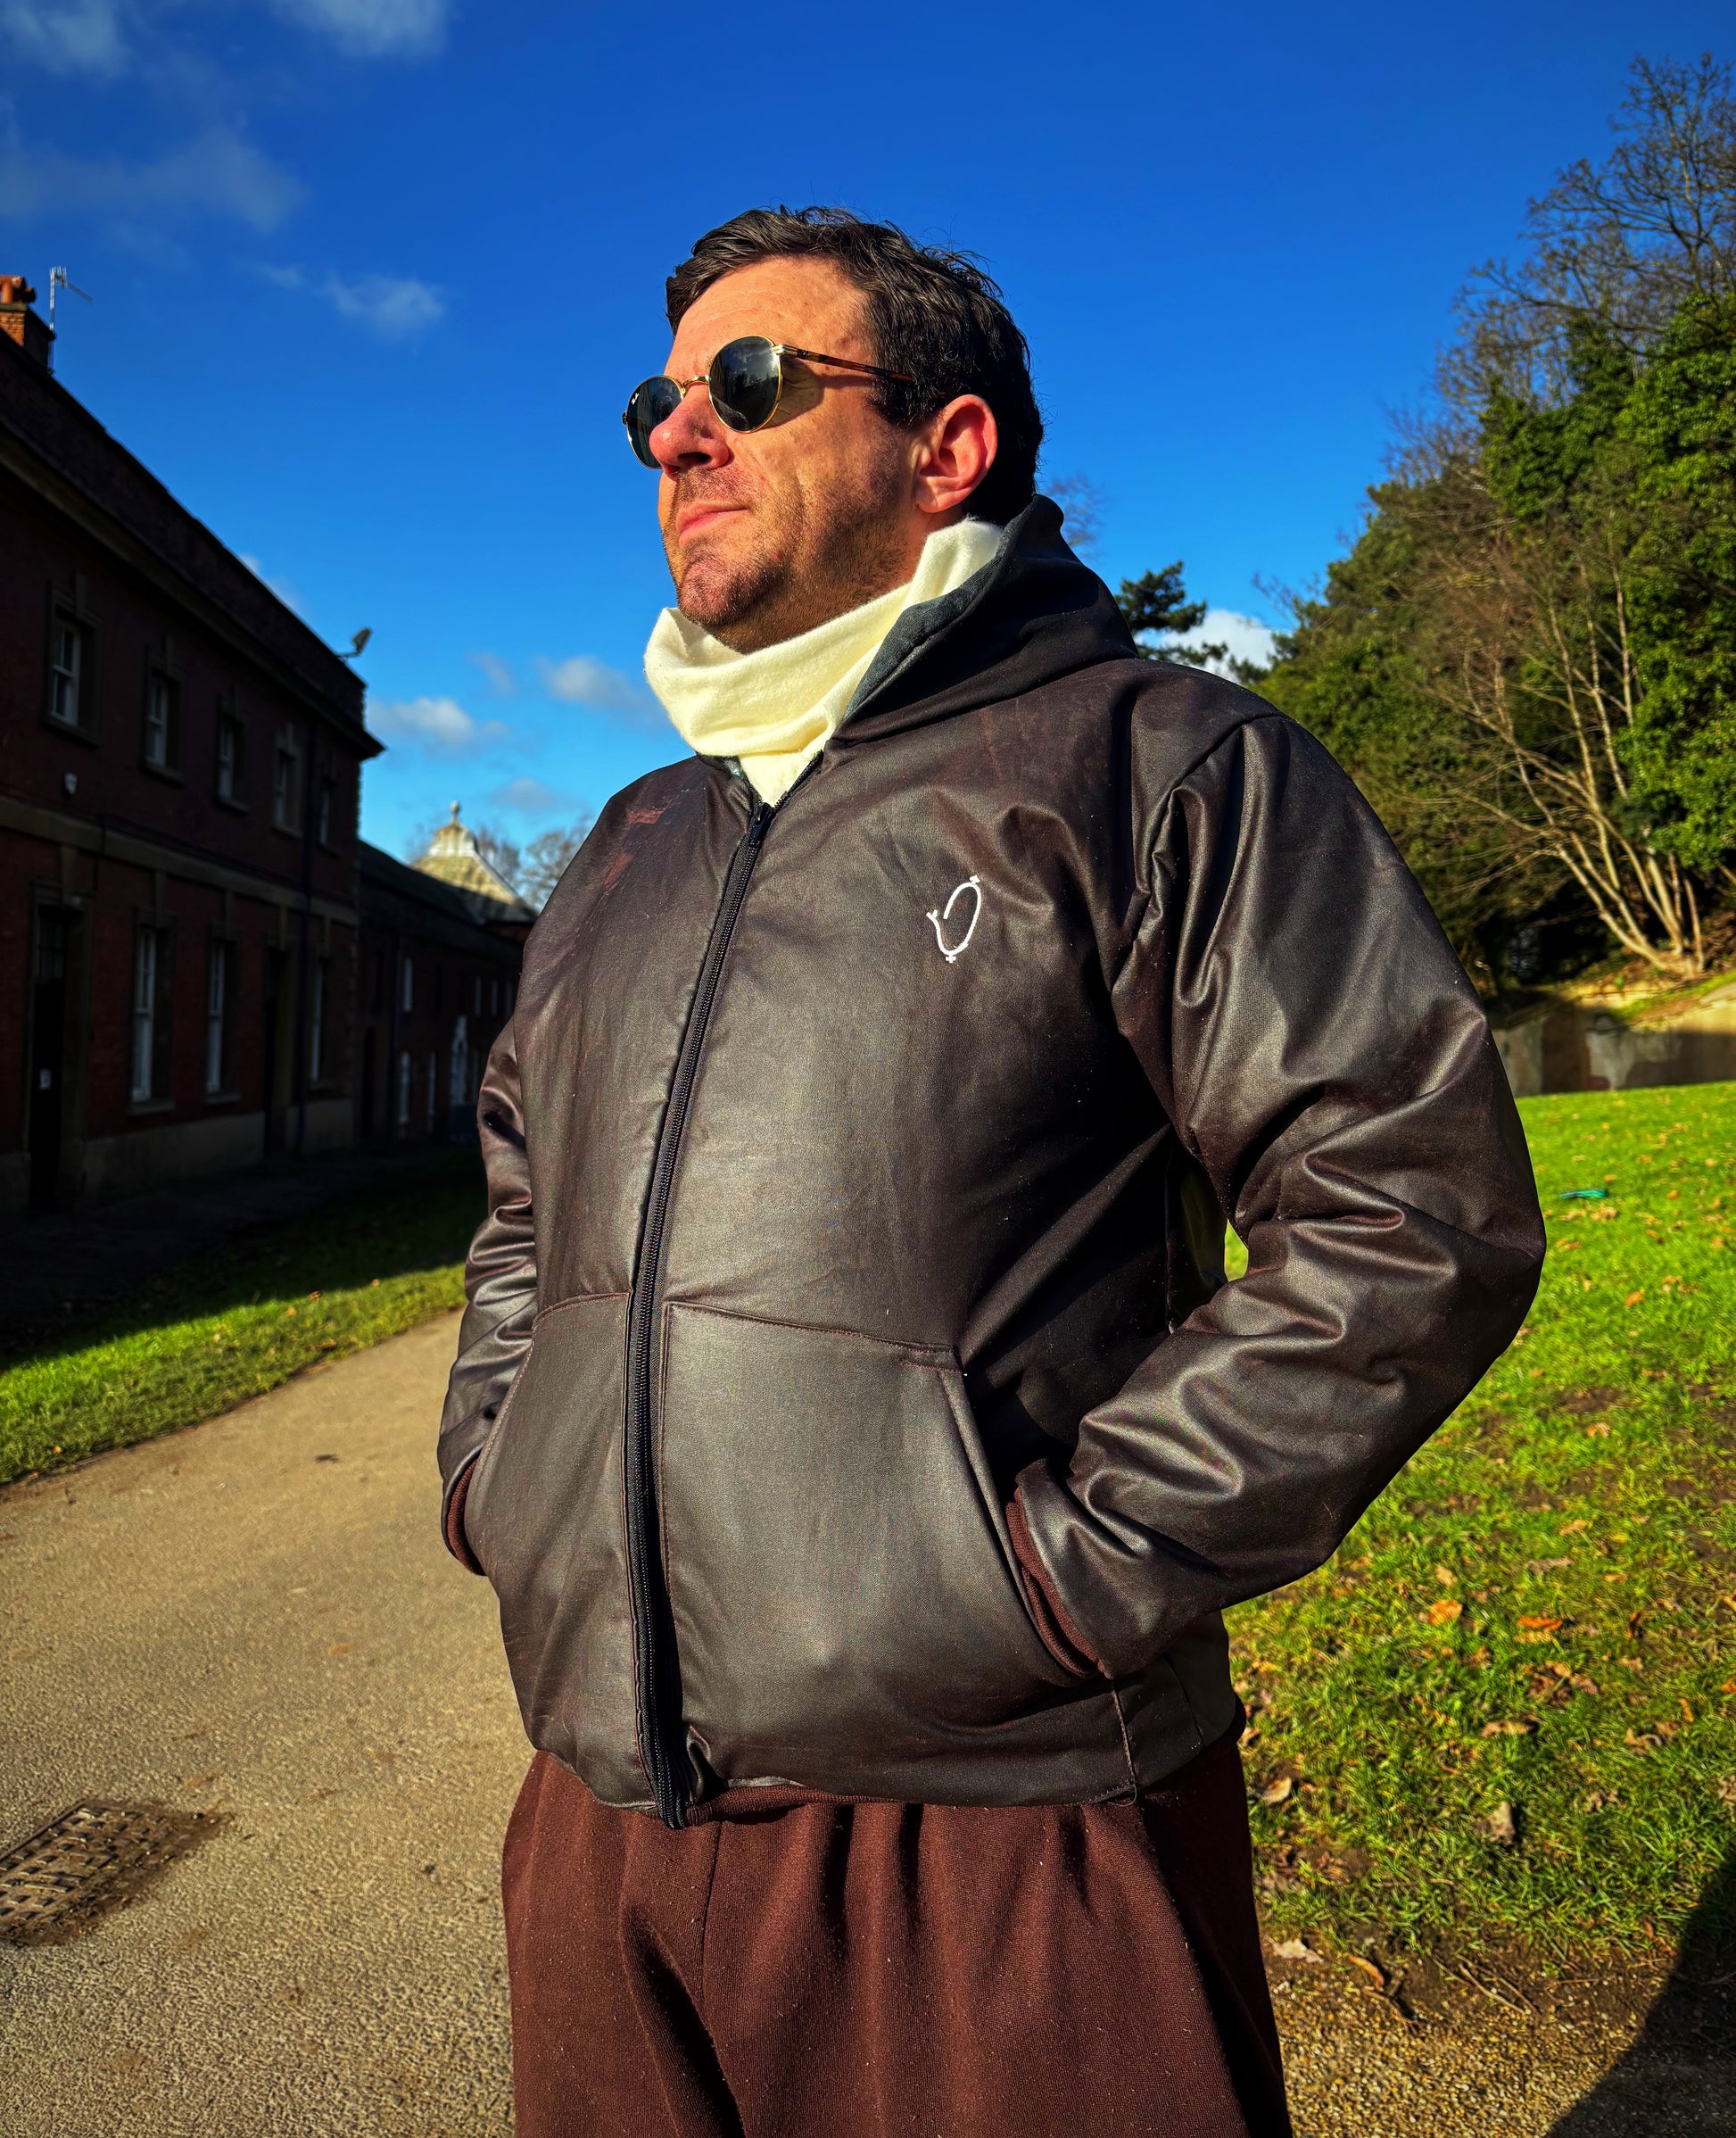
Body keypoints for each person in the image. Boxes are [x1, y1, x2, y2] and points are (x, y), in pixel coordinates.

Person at [438, 207, 1544, 2138]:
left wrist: (1055, 1576)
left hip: (1009, 1838)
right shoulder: (625, 844)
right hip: (603, 1822)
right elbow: (524, 1210)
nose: (676, 436)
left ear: (948, 446)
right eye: (654, 404)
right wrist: (493, 1472)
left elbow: (1408, 1208)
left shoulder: (1159, 765)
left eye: (748, 384)